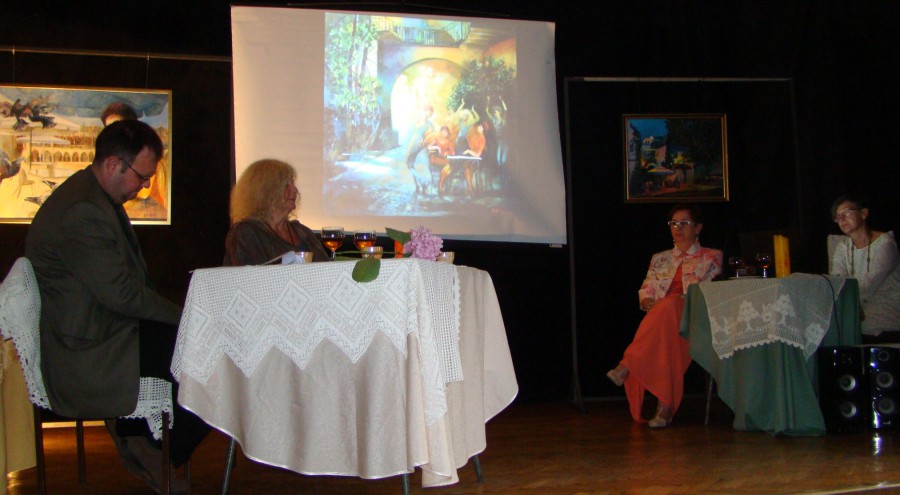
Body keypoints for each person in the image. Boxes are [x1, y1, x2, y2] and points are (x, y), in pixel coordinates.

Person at [24, 119, 208, 493]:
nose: (144, 187)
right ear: (113, 164)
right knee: (207, 355)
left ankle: (144, 439)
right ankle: (152, 448)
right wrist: (185, 318)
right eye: (142, 177)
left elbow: (123, 290)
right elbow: (122, 294)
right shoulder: (82, 211)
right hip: (90, 347)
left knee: (204, 348)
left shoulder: (92, 197)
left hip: (102, 327)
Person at [606, 204, 722, 428]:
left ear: (698, 228)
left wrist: (670, 303)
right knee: (665, 326)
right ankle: (664, 408)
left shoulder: (711, 256)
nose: (678, 228)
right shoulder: (659, 258)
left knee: (669, 306)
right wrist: (649, 302)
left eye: (684, 223)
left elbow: (707, 292)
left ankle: (627, 365)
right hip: (662, 320)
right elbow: (646, 291)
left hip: (693, 319)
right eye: (673, 224)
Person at [224, 159, 331, 266]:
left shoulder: (302, 232)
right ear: (265, 191)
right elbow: (248, 275)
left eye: (293, 183)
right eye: (286, 185)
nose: (295, 190)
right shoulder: (246, 232)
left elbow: (327, 270)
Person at [829, 195, 899, 341]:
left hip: (887, 320)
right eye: (838, 217)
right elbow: (837, 282)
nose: (842, 220)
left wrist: (850, 306)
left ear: (863, 213)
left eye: (846, 213)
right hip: (855, 320)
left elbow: (869, 283)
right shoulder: (842, 248)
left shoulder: (885, 243)